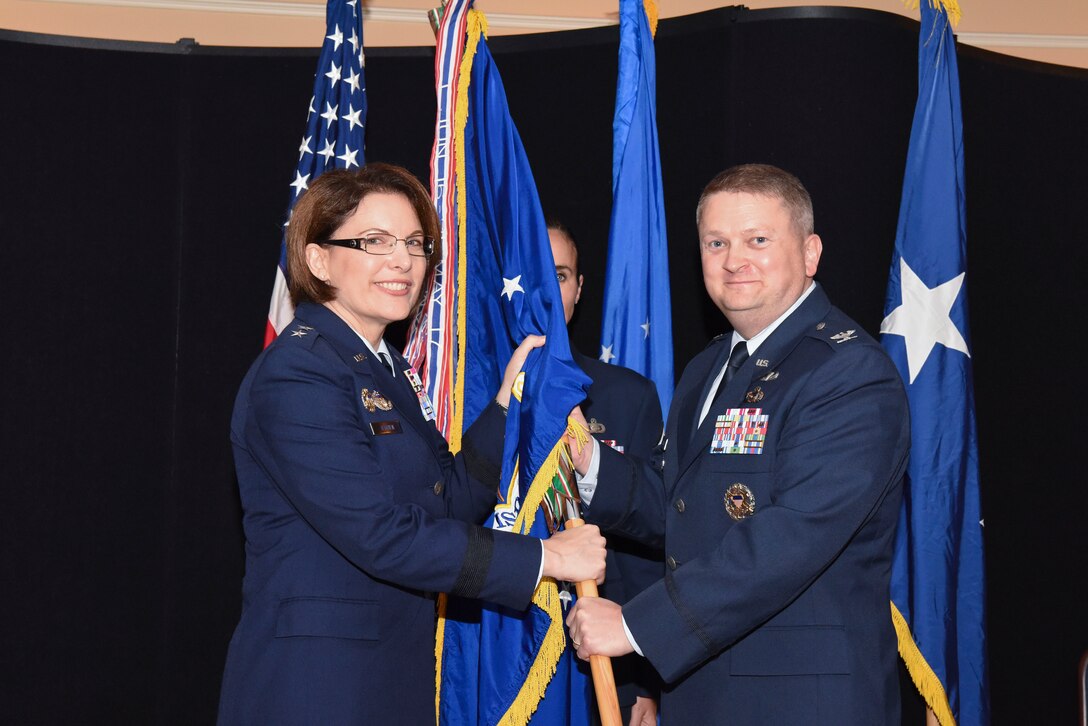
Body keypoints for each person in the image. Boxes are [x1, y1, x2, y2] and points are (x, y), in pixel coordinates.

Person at [217, 163, 606, 726]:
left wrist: (502, 406)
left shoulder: (381, 368)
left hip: (386, 682)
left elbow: (445, 501)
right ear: (319, 259)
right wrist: (548, 558)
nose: (402, 261)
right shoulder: (298, 374)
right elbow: (382, 535)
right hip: (317, 690)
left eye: (415, 243)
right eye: (374, 242)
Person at [565, 164, 911, 725]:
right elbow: (677, 505)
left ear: (811, 253)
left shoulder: (849, 372)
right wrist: (589, 463)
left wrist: (635, 625)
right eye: (716, 242)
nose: (733, 259)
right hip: (702, 691)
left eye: (758, 240)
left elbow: (790, 538)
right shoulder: (709, 368)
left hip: (801, 703)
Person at [548, 221, 664, 726]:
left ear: (578, 289)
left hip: (600, 653)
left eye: (561, 274)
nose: (548, 291)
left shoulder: (625, 395)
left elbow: (646, 548)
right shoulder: (460, 398)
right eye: (531, 274)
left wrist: (641, 676)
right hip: (490, 636)